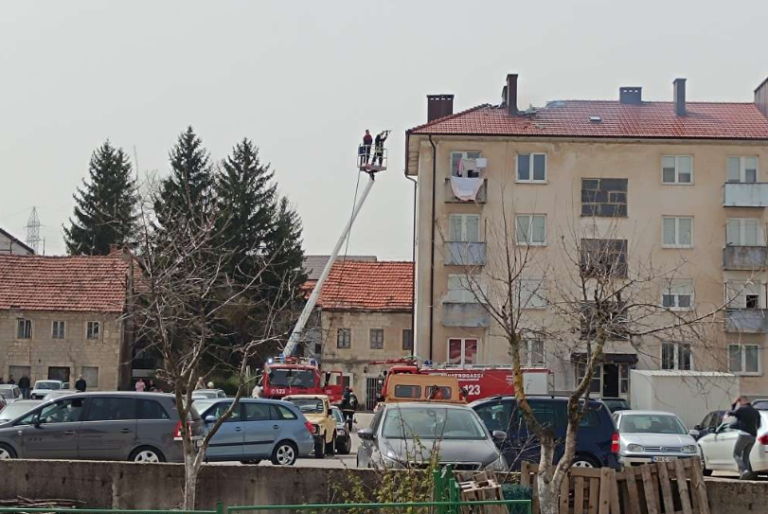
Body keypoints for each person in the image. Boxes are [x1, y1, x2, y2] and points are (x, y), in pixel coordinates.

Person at [727, 396, 762, 480]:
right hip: (753, 436)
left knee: (736, 454)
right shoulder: (756, 411)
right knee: (746, 456)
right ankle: (744, 476)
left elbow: (730, 413)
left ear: (741, 401)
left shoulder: (742, 409)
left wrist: (734, 403)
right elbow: (759, 425)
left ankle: (744, 470)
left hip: (743, 435)